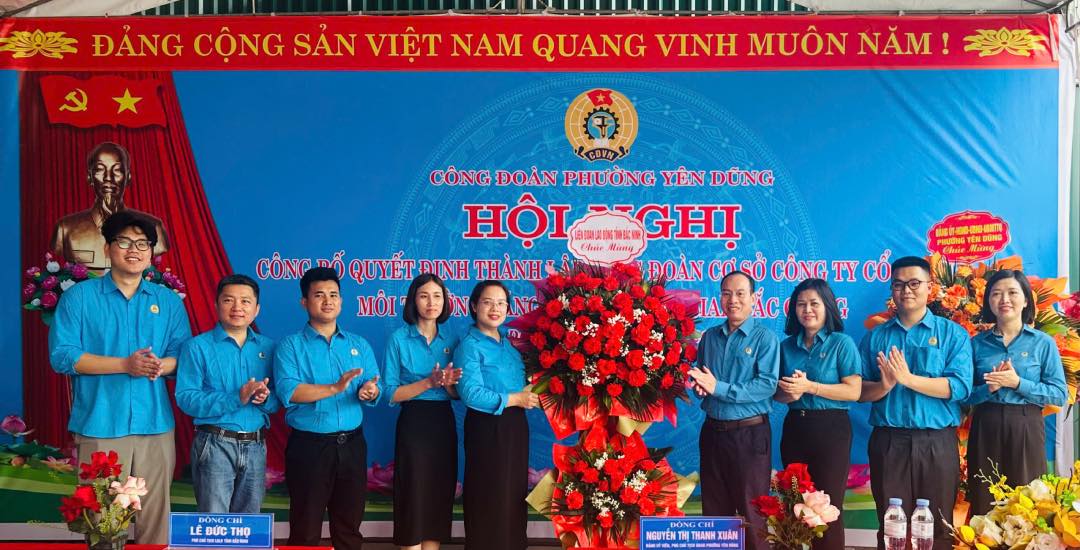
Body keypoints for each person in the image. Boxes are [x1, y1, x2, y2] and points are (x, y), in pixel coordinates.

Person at [48, 210, 191, 544]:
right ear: (108, 247)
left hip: (155, 425)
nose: (134, 250)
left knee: (154, 519)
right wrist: (124, 365)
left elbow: (183, 356)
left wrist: (160, 366)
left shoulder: (167, 301)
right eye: (124, 241)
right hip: (100, 423)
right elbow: (63, 356)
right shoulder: (79, 298)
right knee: (103, 521)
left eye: (143, 243)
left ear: (152, 252)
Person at [860, 256, 972, 550]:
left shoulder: (952, 335)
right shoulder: (876, 337)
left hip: (936, 443)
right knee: (891, 527)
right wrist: (884, 385)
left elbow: (959, 387)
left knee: (937, 527)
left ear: (929, 287)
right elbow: (859, 391)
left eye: (914, 283)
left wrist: (908, 379)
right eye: (898, 284)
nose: (906, 291)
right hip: (889, 442)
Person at [273, 267, 382, 550]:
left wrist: (370, 391)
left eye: (334, 294)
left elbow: (373, 386)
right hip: (310, 447)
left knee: (348, 527)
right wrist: (334, 388)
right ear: (304, 302)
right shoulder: (291, 346)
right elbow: (290, 391)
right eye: (319, 295)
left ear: (341, 301)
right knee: (305, 528)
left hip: (352, 444)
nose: (328, 301)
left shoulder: (359, 344)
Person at [688, 270, 779, 550]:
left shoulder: (765, 339)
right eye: (726, 293)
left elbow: (766, 385)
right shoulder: (710, 338)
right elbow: (705, 379)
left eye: (740, 294)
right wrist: (701, 387)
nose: (733, 300)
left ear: (754, 298)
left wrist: (718, 388)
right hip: (714, 433)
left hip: (749, 435)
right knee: (715, 511)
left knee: (753, 513)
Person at [176, 274, 279, 513]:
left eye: (245, 301)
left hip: (255, 445)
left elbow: (279, 400)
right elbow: (186, 398)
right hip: (214, 444)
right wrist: (236, 397)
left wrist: (265, 399)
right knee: (214, 525)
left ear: (257, 309)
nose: (237, 308)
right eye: (228, 300)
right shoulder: (197, 347)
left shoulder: (269, 348)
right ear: (216, 305)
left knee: (248, 528)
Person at [967, 269, 1066, 514]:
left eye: (1012, 292)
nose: (1004, 300)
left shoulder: (1042, 343)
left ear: (1025, 300)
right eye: (996, 294)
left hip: (1026, 425)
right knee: (985, 499)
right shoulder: (976, 344)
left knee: (1027, 501)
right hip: (985, 424)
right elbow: (963, 394)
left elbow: (1058, 394)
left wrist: (1017, 383)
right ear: (988, 301)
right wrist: (988, 389)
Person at [774, 278, 861, 550]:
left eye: (814, 303)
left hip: (831, 430)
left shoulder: (841, 343)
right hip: (796, 429)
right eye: (801, 304)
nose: (807, 309)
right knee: (794, 501)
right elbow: (777, 394)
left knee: (827, 504)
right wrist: (792, 393)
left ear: (828, 307)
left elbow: (853, 391)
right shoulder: (785, 347)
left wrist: (810, 386)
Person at [454, 280, 539, 550]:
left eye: (501, 303)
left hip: (515, 427)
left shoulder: (510, 347)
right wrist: (515, 398)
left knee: (512, 494)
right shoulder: (469, 346)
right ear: (474, 306)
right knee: (489, 494)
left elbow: (522, 384)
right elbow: (470, 394)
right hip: (487, 428)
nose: (495, 308)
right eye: (488, 302)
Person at [384, 273, 462, 550]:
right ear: (413, 301)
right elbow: (390, 393)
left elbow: (455, 395)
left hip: (443, 421)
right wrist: (429, 382)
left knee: (439, 490)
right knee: (413, 490)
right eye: (424, 295)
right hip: (414, 421)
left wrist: (450, 385)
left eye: (437, 296)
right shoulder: (399, 339)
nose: (431, 302)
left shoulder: (452, 340)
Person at [51, 141, 169, 271]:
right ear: (89, 177)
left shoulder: (154, 226)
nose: (108, 178)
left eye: (117, 170)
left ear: (128, 177)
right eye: (100, 170)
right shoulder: (65, 228)